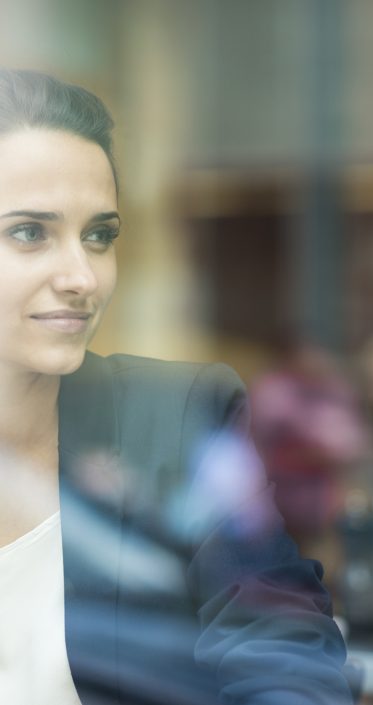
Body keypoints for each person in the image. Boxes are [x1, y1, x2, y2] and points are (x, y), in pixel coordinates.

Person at [0, 68, 355, 705]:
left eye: (99, 236)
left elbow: (281, 646)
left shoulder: (176, 417)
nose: (83, 275)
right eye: (30, 232)